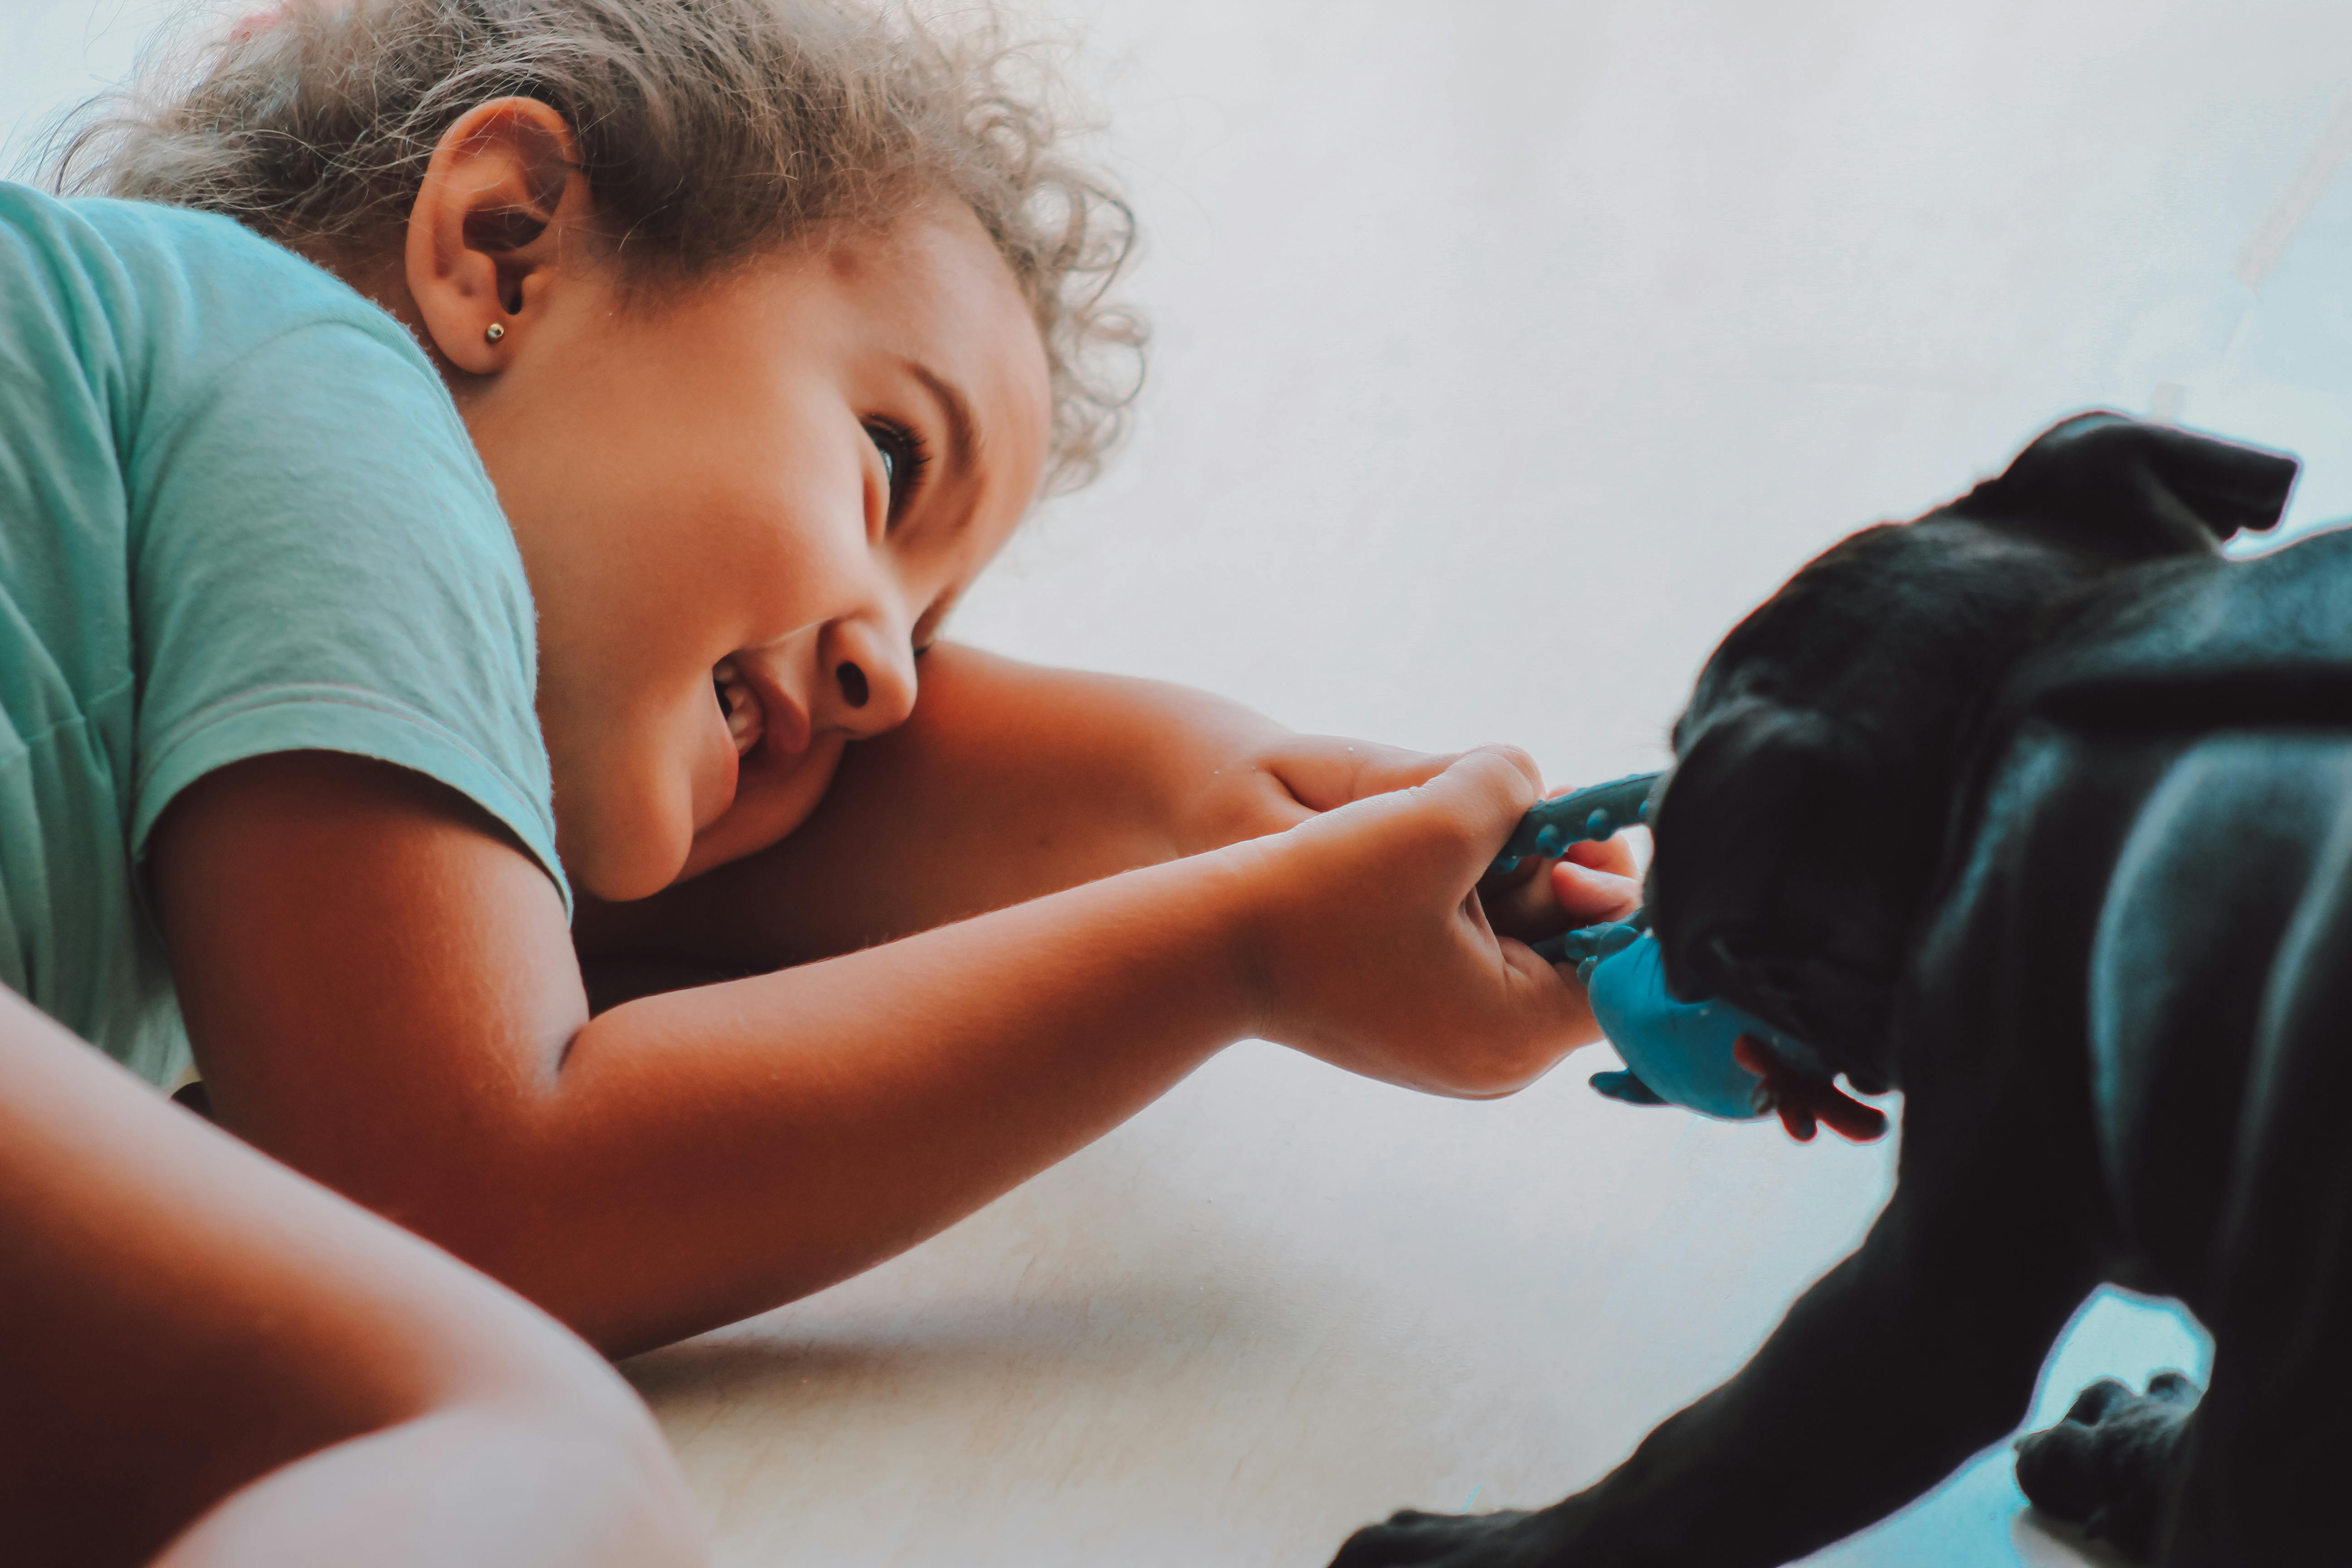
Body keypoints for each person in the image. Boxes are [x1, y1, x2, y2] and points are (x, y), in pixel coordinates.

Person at [4, 0, 1637, 1555]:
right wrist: (1246, 946)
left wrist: (1233, 805)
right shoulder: (331, 390)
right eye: (887, 458)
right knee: (510, 1458)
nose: (895, 675)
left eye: (931, 622)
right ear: (507, 243)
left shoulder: (219, 748)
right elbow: (472, 1192)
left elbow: (790, 842)